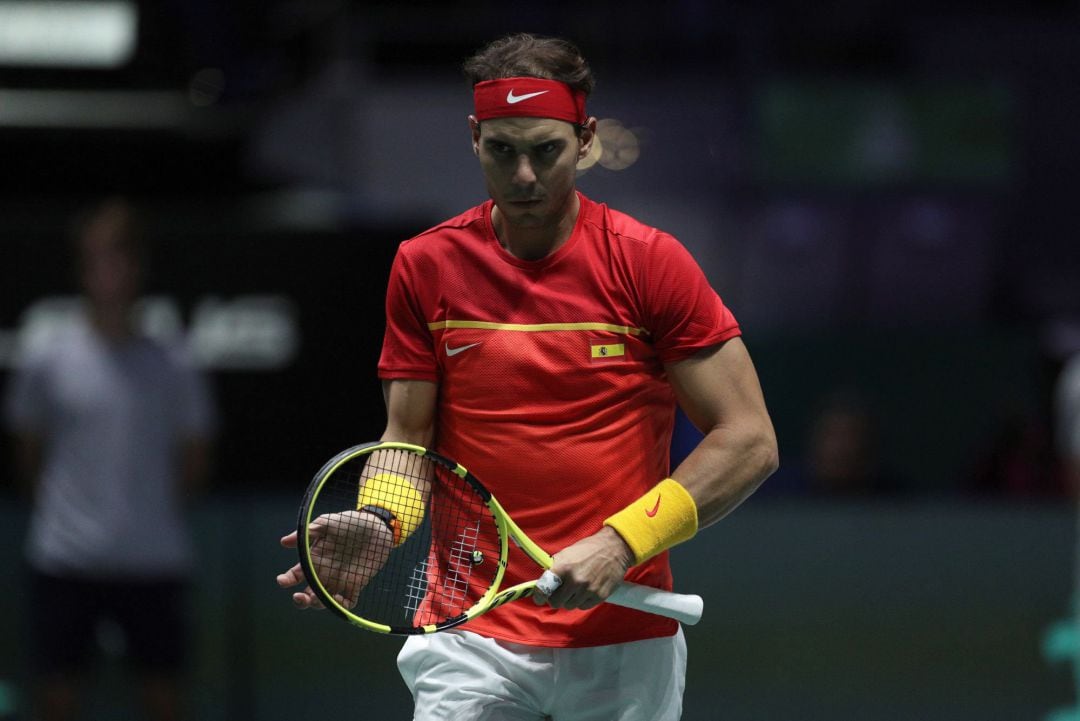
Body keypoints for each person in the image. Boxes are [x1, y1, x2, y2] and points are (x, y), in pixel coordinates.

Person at [277, 33, 778, 720]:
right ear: (474, 136)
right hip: (469, 635)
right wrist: (382, 519)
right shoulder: (427, 267)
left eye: (546, 150)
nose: (523, 176)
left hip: (623, 641)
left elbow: (750, 439)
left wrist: (620, 541)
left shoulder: (649, 264)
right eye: (502, 150)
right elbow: (406, 435)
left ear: (587, 138)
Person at [2, 198, 217, 721]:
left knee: (163, 698)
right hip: (64, 560)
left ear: (137, 265)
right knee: (56, 697)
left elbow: (194, 463)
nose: (109, 270)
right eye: (98, 256)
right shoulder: (46, 358)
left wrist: (143, 520)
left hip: (154, 561)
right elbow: (27, 454)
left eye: (119, 255)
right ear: (82, 265)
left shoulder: (174, 362)